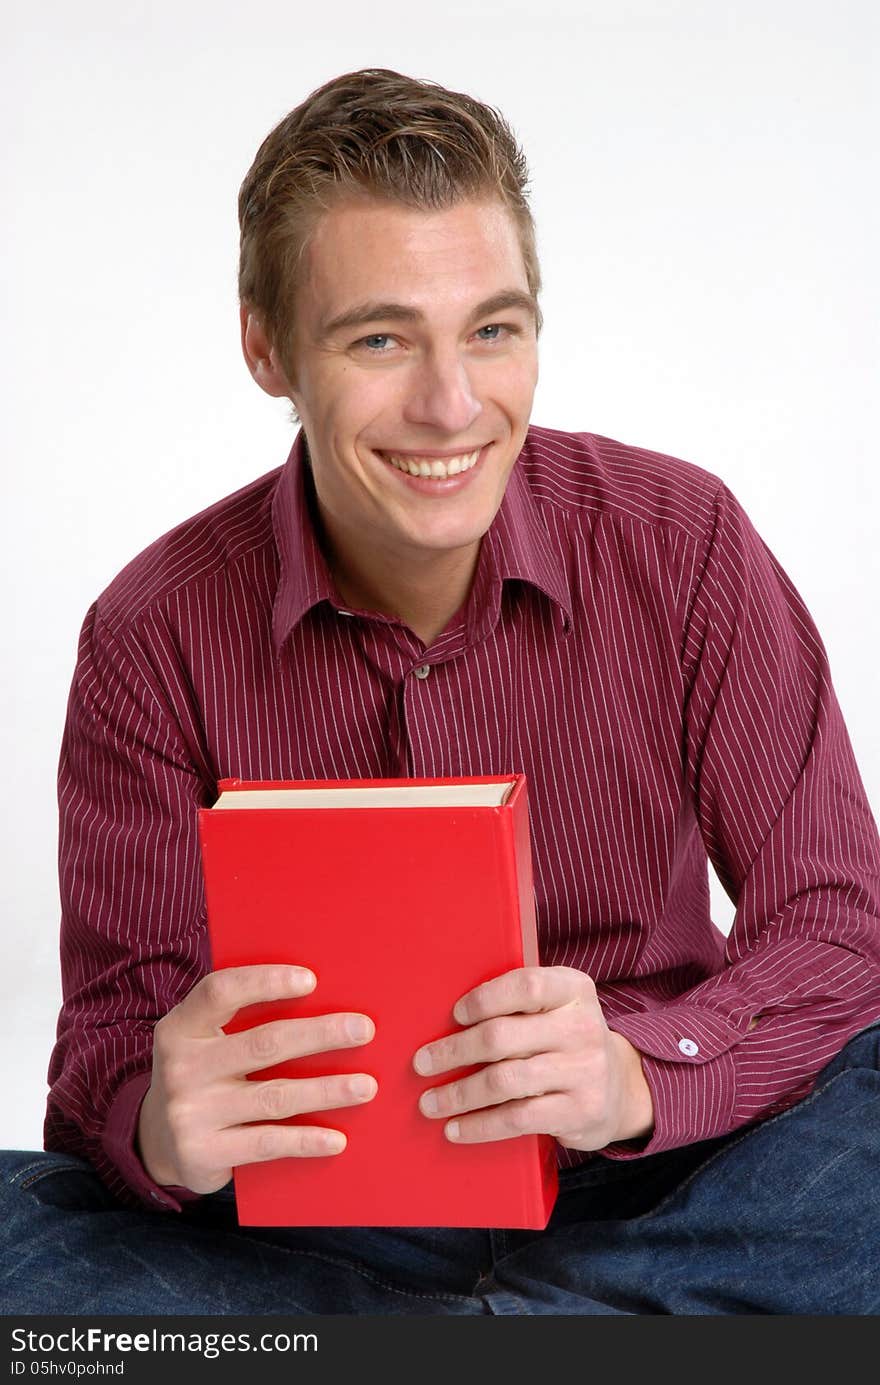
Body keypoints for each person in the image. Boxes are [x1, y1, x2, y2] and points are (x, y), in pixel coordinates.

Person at [2, 67, 879, 1317]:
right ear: (265, 346)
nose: (452, 404)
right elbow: (106, 1051)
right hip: (332, 1214)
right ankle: (582, 1322)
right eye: (379, 337)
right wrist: (159, 1121)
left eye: (492, 329)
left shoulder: (681, 540)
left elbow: (840, 927)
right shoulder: (152, 631)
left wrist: (638, 1071)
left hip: (674, 1175)